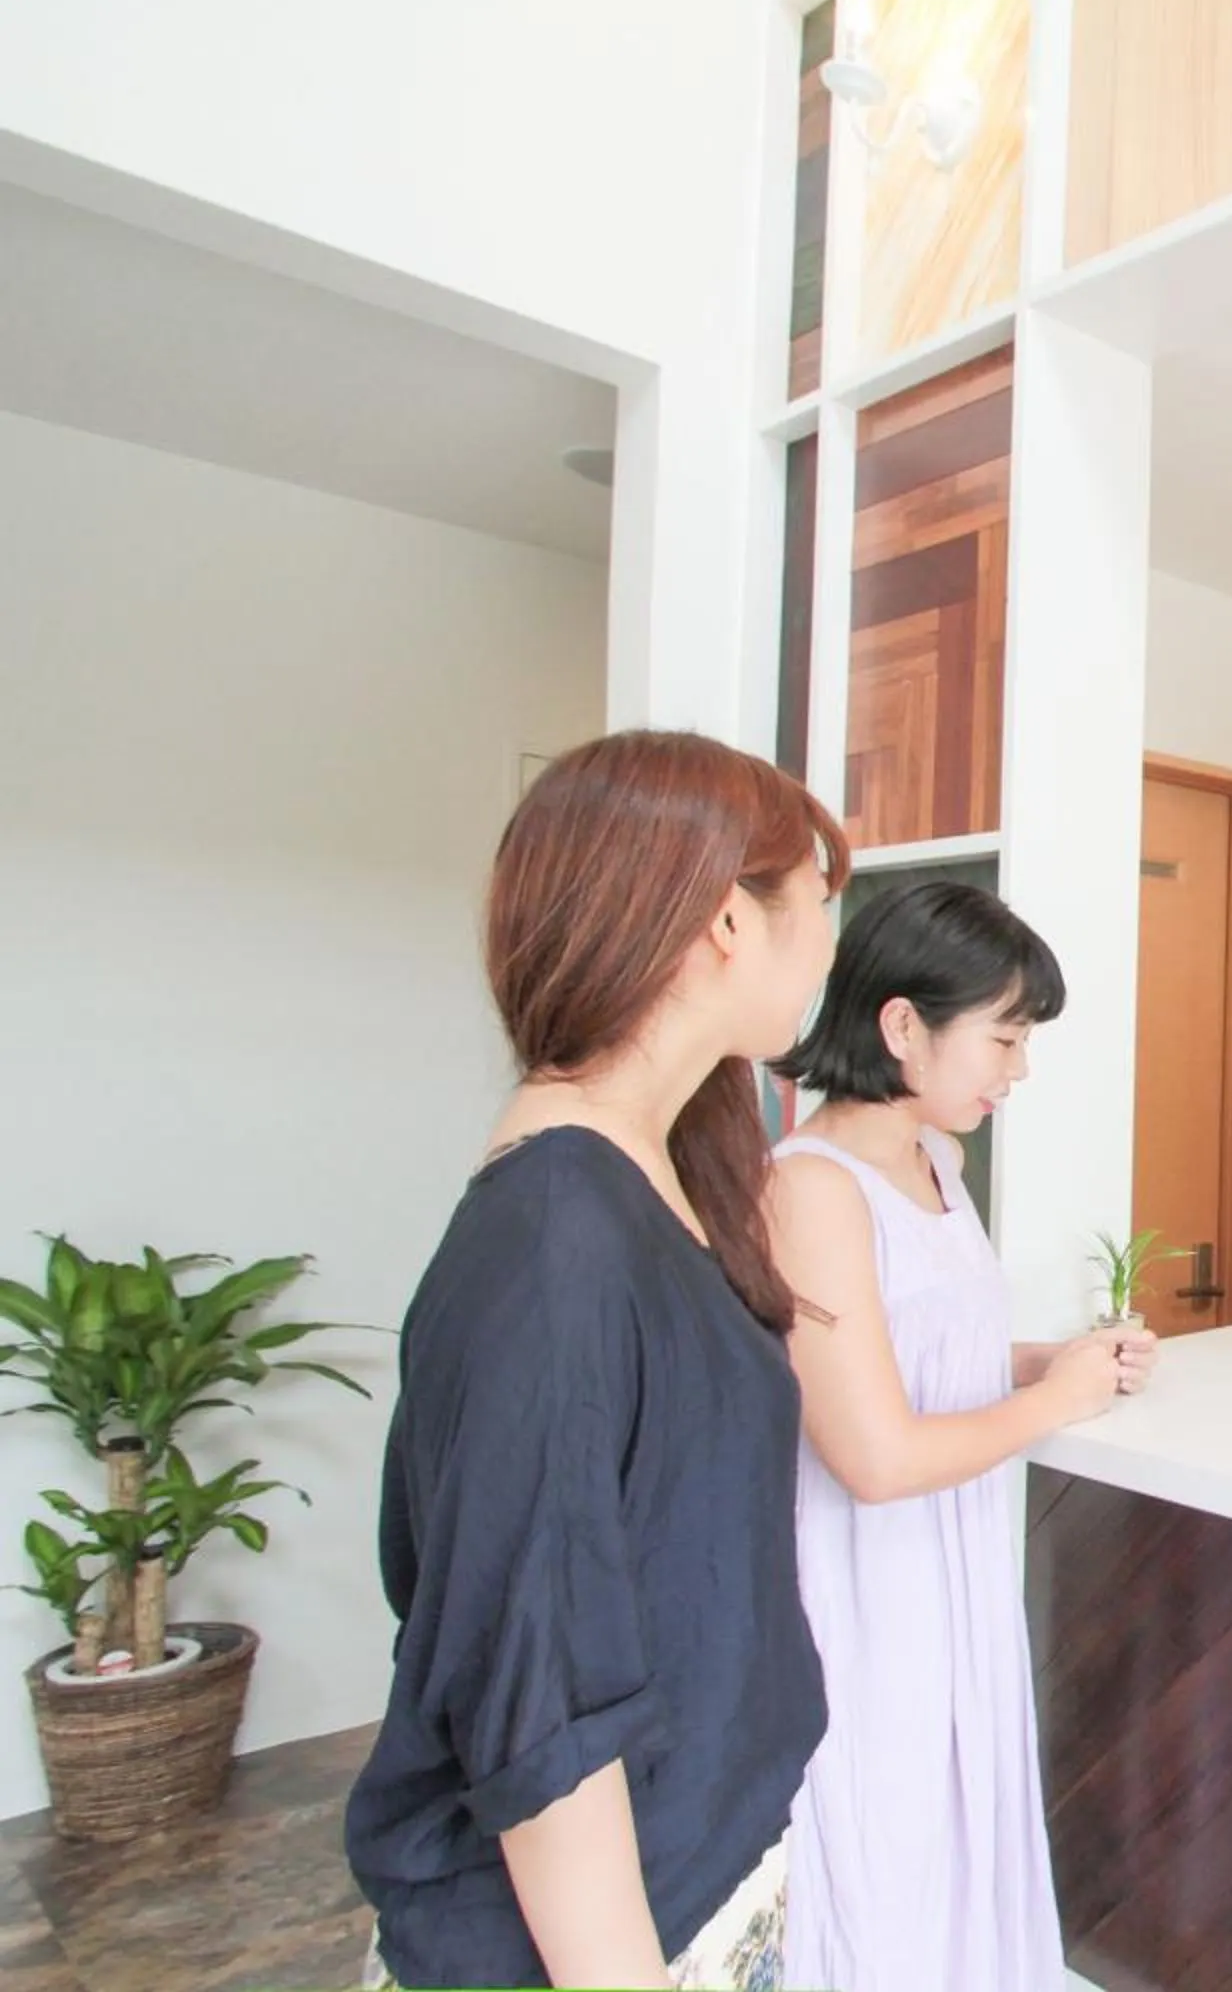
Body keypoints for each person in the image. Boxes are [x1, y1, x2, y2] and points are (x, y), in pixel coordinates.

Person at [346, 731, 847, 1989]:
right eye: (823, 903)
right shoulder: (556, 1241)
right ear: (731, 921)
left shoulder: (660, 1172)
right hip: (591, 1943)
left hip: (701, 1880)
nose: (834, 941)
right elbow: (539, 1704)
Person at [765, 881, 1155, 1992]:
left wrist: (1055, 1360)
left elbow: (928, 1351)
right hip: (869, 1590)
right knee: (886, 1868)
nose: (1017, 1067)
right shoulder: (811, 1191)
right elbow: (876, 1455)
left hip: (955, 1579)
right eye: (1005, 1035)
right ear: (901, 1025)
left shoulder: (939, 1160)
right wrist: (1054, 1401)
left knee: (957, 1852)